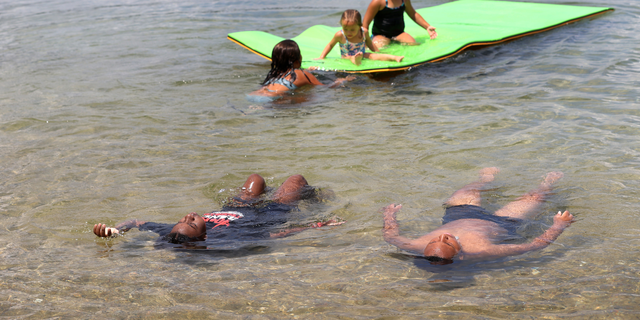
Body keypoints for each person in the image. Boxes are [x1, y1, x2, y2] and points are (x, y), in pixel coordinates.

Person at [382, 167, 575, 265]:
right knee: (536, 197)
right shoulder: (482, 250)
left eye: (434, 241)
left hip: (459, 215)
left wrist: (389, 215)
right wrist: (559, 225)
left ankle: (486, 179)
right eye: (447, 242)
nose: (442, 236)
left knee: (467, 190)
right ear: (460, 254)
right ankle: (548, 182)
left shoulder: (415, 245)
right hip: (502, 222)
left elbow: (390, 236)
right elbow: (535, 246)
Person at [93, 174, 344, 245]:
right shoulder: (228, 237)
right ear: (203, 236)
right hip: (271, 213)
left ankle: (268, 192)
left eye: (184, 218)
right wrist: (318, 224)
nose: (190, 215)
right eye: (192, 222)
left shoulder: (171, 231)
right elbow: (278, 235)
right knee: (296, 179)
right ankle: (315, 198)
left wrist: (116, 231)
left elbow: (136, 222)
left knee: (255, 179)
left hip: (237, 206)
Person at [248, 40, 355, 102]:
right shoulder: (302, 74)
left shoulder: (274, 74)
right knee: (312, 98)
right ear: (297, 58)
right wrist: (342, 81)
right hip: (275, 98)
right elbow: (325, 87)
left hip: (254, 95)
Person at [316, 9, 404, 66]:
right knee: (350, 57)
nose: (348, 32)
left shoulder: (364, 32)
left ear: (360, 26)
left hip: (362, 54)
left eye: (352, 30)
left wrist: (377, 52)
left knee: (373, 56)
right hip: (347, 57)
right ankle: (355, 60)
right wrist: (322, 57)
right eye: (345, 29)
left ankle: (395, 58)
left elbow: (369, 43)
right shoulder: (340, 35)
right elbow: (330, 45)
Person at [362, 0, 437, 48]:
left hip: (399, 33)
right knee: (379, 49)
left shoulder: (404, 1)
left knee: (414, 45)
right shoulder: (378, 2)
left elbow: (413, 14)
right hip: (381, 35)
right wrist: (364, 41)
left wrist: (427, 27)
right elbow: (365, 23)